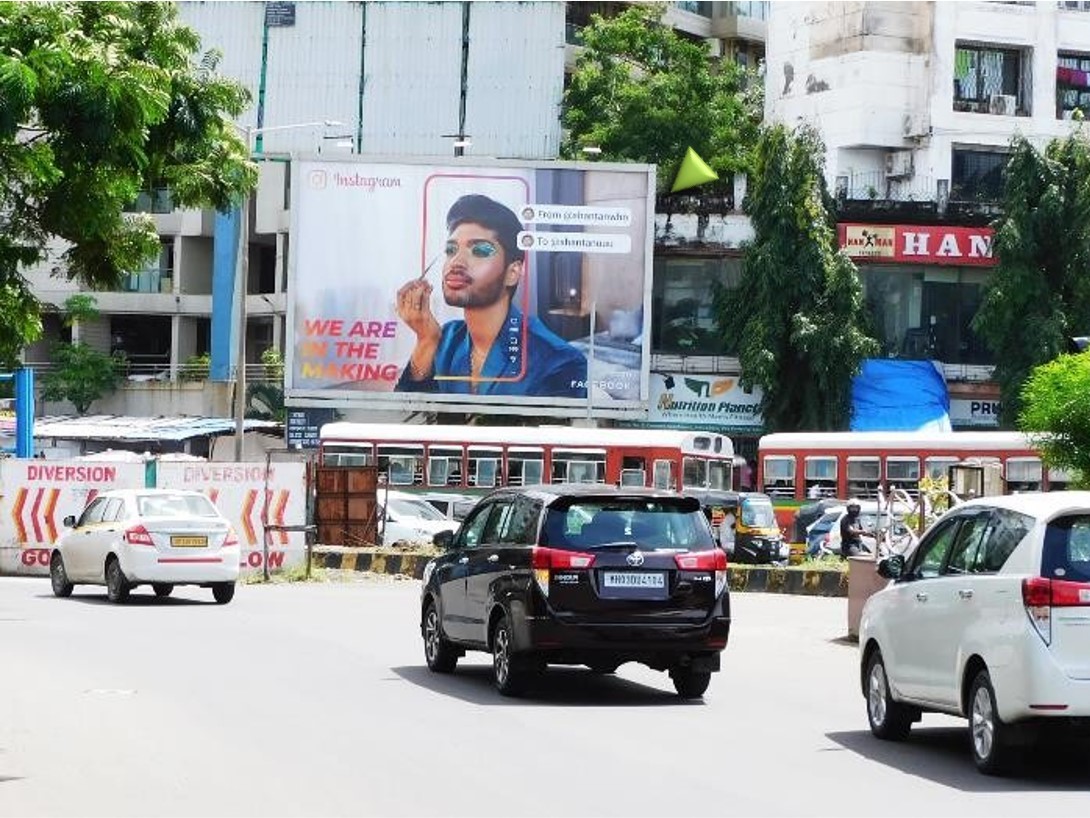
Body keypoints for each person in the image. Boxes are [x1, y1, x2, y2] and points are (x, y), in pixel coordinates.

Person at [395, 194, 587, 397]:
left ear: (512, 273)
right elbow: (408, 416)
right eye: (451, 249)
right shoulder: (446, 338)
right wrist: (426, 339)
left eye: (479, 250)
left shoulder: (560, 361)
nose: (456, 262)